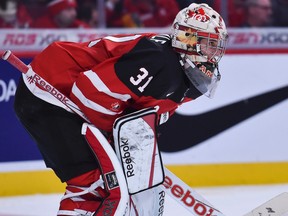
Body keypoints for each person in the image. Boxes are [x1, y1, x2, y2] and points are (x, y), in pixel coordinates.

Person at [13, 3, 228, 216]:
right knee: (97, 188)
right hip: (49, 89)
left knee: (106, 187)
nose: (213, 54)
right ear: (188, 41)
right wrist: (118, 135)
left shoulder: (189, 78)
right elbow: (89, 94)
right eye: (208, 44)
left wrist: (129, 136)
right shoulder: (158, 60)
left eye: (217, 46)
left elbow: (145, 116)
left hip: (67, 99)